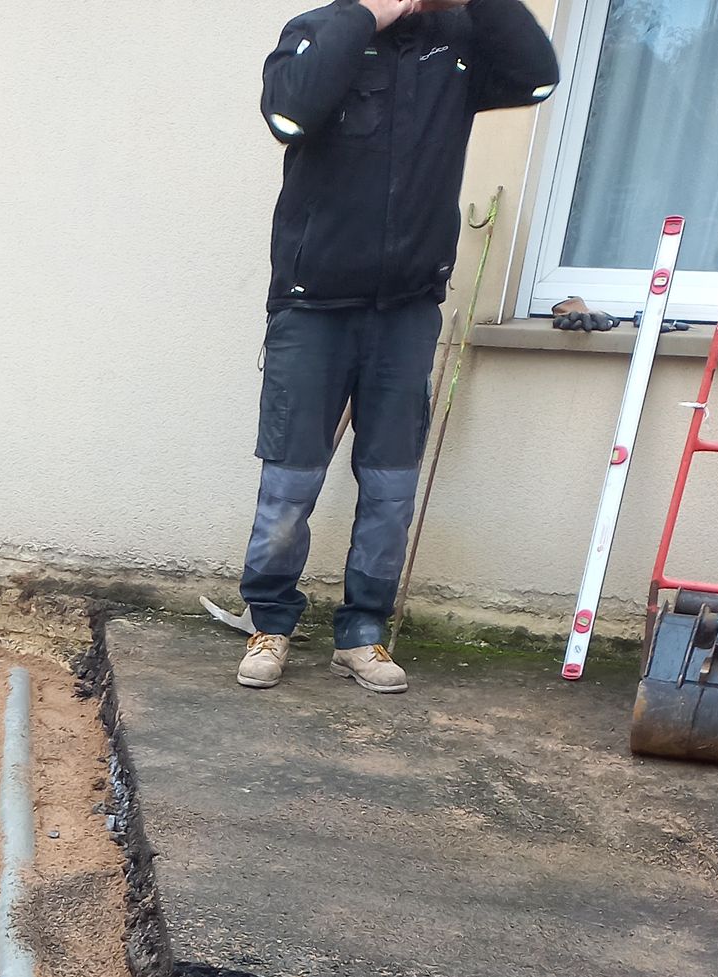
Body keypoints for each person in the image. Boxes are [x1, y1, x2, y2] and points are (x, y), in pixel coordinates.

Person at [236, 0, 559, 695]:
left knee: (388, 489)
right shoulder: (320, 31)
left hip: (406, 310)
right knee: (290, 485)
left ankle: (362, 635)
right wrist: (368, 13)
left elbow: (537, 79)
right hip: (311, 306)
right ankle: (270, 622)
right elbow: (287, 115)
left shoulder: (459, 44)